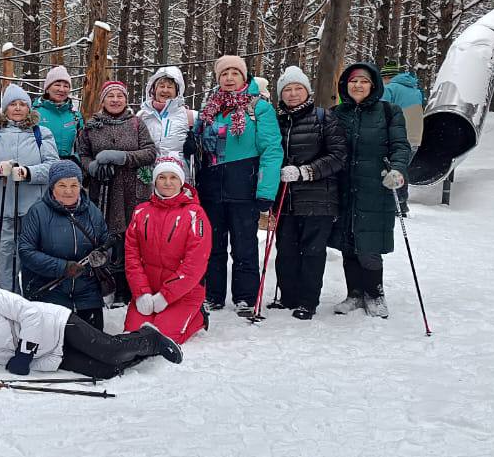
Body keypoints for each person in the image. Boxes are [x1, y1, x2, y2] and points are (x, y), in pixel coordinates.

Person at [0, 272, 182, 380]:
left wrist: (24, 353)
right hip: (47, 355)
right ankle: (138, 350)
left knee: (111, 351)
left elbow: (29, 312)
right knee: (107, 370)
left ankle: (148, 338)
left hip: (55, 325)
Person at [188, 55, 284, 317]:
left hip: (244, 185)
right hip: (211, 187)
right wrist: (191, 141)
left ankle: (245, 297)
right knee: (213, 246)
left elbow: (272, 150)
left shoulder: (259, 108)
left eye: (235, 73)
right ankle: (212, 294)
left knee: (244, 246)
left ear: (244, 77)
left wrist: (266, 190)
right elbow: (199, 142)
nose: (229, 78)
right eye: (224, 73)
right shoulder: (211, 107)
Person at [329, 63, 411, 318]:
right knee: (348, 243)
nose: (358, 86)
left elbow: (401, 146)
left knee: (369, 245)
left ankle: (375, 294)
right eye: (353, 81)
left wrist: (397, 170)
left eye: (363, 81)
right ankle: (354, 293)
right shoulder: (335, 113)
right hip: (344, 187)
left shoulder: (389, 112)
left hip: (375, 187)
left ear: (373, 85)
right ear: (345, 85)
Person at [271, 67, 347, 320]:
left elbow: (338, 156)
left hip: (318, 198)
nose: (293, 94)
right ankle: (288, 296)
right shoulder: (277, 121)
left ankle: (307, 301)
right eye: (287, 90)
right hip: (286, 198)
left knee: (312, 251)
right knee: (286, 250)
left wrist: (306, 171)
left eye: (298, 88)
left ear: (307, 91)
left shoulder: (324, 118)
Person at [76, 80, 157, 304]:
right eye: (110, 96)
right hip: (104, 189)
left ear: (126, 99)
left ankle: (126, 287)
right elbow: (82, 154)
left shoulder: (136, 123)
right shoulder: (91, 126)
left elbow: (150, 152)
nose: (115, 100)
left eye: (119, 96)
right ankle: (104, 283)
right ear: (102, 101)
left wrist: (123, 157)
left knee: (130, 238)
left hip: (132, 191)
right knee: (106, 236)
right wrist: (92, 167)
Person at [0, 84, 59, 293]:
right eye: (13, 104)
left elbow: (53, 167)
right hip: (3, 209)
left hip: (35, 209)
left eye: (23, 104)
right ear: (5, 108)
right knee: (5, 258)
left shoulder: (42, 133)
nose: (18, 108)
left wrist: (28, 173)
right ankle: (10, 299)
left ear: (29, 108)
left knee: (35, 257)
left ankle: (35, 298)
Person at [123, 158, 211, 344]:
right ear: (154, 181)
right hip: (149, 288)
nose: (167, 182)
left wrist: (166, 295)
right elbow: (132, 257)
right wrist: (141, 292)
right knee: (133, 335)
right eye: (162, 177)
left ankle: (198, 317)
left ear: (181, 181)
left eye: (173, 177)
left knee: (162, 339)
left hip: (184, 292)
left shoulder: (195, 214)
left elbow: (195, 264)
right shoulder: (140, 212)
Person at [18, 159, 112, 328]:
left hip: (87, 292)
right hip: (49, 291)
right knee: (55, 340)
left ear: (80, 186)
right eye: (62, 185)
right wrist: (62, 267)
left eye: (74, 185)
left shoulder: (92, 211)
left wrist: (103, 256)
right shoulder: (38, 212)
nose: (68, 191)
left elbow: (106, 242)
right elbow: (26, 252)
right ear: (52, 187)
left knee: (93, 339)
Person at [379, 61, 424, 215]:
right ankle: (401, 204)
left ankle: (397, 204)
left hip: (399, 137)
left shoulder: (390, 89)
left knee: (394, 170)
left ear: (387, 77)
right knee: (401, 169)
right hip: (415, 138)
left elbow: (382, 111)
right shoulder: (415, 90)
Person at [138, 66, 196, 161]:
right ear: (154, 90)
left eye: (170, 87)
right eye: (161, 86)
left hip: (179, 169)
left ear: (177, 91)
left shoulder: (191, 116)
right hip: (148, 169)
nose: (165, 90)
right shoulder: (142, 116)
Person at [33, 65, 83, 161]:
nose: (62, 89)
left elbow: (83, 147)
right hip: (40, 166)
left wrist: (75, 160)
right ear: (47, 88)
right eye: (57, 85)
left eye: (66, 86)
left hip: (67, 167)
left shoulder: (75, 116)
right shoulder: (34, 114)